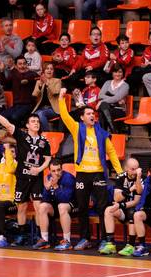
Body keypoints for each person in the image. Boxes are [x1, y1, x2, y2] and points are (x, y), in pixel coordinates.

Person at [58, 88, 123, 250]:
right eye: (88, 114)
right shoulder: (76, 128)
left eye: (93, 114)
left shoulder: (101, 133)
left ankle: (103, 240)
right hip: (82, 175)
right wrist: (61, 98)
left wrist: (119, 171)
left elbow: (112, 152)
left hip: (98, 174)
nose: (92, 115)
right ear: (81, 117)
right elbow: (65, 116)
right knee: (82, 208)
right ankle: (85, 238)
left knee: (102, 208)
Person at [0, 109, 51, 246]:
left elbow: (48, 159)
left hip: (36, 178)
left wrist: (39, 169)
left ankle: (40, 236)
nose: (36, 123)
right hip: (22, 177)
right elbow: (7, 124)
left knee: (38, 206)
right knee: (21, 207)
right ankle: (21, 235)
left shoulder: (44, 141)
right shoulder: (21, 136)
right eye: (33, 121)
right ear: (28, 125)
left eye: (37, 121)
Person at [100, 158, 143, 256]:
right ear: (126, 168)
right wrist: (130, 189)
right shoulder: (121, 177)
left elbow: (136, 201)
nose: (135, 171)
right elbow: (117, 197)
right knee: (108, 210)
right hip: (122, 209)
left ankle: (131, 246)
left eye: (137, 169)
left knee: (133, 212)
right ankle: (111, 244)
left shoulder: (140, 178)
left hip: (134, 209)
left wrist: (121, 204)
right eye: (132, 169)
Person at [33, 159, 76, 250]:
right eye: (53, 171)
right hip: (56, 207)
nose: (56, 173)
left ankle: (67, 241)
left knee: (62, 206)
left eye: (58, 170)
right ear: (50, 171)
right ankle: (44, 240)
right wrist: (47, 189)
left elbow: (66, 199)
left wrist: (56, 187)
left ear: (62, 169)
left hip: (71, 207)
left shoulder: (68, 178)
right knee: (42, 206)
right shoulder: (49, 178)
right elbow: (45, 200)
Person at [0, 56, 38, 125]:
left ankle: (17, 133)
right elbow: (5, 85)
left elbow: (22, 81)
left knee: (14, 117)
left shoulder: (32, 74)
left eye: (24, 63)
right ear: (16, 65)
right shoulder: (14, 74)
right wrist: (2, 71)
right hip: (16, 106)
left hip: (28, 105)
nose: (22, 66)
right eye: (20, 64)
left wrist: (13, 68)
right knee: (0, 116)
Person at [97, 64, 129, 133]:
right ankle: (113, 130)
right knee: (103, 108)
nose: (117, 74)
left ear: (123, 73)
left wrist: (102, 101)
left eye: (120, 72)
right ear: (112, 73)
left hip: (119, 110)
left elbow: (116, 98)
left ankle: (104, 133)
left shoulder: (125, 86)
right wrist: (114, 99)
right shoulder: (107, 83)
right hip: (107, 108)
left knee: (102, 108)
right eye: (115, 72)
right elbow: (100, 95)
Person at [32, 62, 62, 132]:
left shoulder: (57, 81)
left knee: (40, 114)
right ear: (43, 71)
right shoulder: (39, 82)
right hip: (41, 108)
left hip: (53, 109)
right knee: (34, 116)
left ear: (53, 71)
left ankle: (47, 134)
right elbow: (34, 95)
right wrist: (40, 85)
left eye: (51, 69)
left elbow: (55, 92)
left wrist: (47, 83)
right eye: (47, 69)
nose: (49, 70)